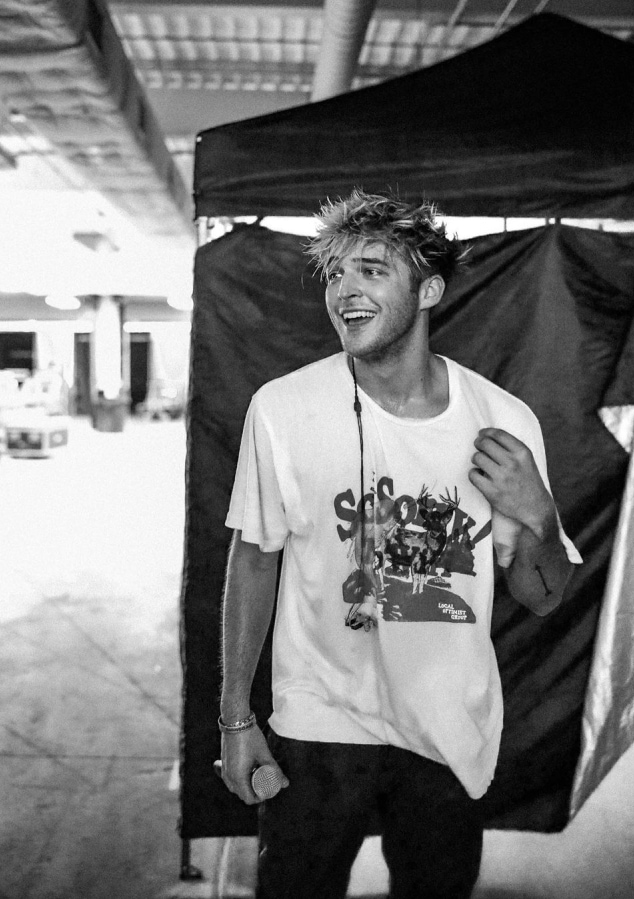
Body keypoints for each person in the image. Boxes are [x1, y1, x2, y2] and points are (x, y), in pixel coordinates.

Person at [218, 189, 582, 899]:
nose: (344, 290)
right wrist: (235, 717)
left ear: (429, 291)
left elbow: (541, 597)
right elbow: (254, 558)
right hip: (320, 722)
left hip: (447, 725)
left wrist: (538, 515)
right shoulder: (282, 409)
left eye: (372, 270)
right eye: (334, 274)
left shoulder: (501, 420)